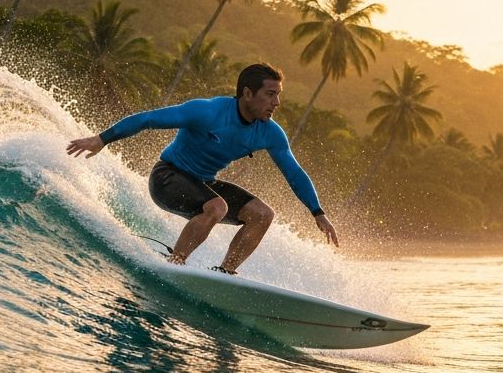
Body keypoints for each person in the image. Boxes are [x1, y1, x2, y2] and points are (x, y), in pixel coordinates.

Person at [66, 62, 339, 273]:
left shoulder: (270, 133)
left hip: (204, 182)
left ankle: (224, 272)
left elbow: (294, 173)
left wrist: (318, 212)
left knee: (262, 215)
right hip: (167, 177)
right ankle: (176, 262)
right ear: (247, 93)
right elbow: (148, 118)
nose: (276, 103)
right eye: (270, 95)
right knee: (216, 207)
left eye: (278, 95)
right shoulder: (208, 112)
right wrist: (101, 139)